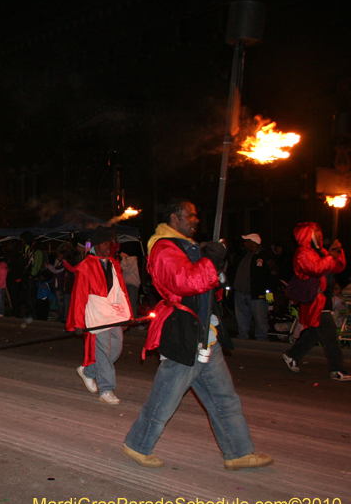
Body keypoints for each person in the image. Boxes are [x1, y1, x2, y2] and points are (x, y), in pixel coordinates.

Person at [123, 199, 273, 471]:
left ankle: (238, 452)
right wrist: (212, 260)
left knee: (224, 397)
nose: (195, 220)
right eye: (190, 215)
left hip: (206, 332)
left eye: (196, 215)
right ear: (174, 217)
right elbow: (185, 283)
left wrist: (216, 268)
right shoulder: (164, 248)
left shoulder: (185, 247)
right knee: (165, 396)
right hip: (184, 333)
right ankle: (137, 445)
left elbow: (205, 286)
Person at [66, 226, 131, 405]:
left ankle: (88, 371)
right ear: (96, 245)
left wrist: (127, 314)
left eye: (109, 244)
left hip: (113, 312)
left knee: (115, 350)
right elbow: (79, 295)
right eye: (104, 244)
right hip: (96, 313)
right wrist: (79, 322)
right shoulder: (86, 265)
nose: (108, 247)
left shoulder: (113, 263)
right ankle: (106, 389)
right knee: (103, 352)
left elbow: (121, 290)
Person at [282, 222, 351, 380]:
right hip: (315, 300)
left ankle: (292, 355)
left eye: (318, 231)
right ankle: (337, 369)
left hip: (324, 299)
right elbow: (314, 269)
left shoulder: (322, 252)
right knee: (330, 336)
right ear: (306, 235)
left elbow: (337, 267)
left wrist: (337, 252)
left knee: (314, 333)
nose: (319, 234)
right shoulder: (302, 252)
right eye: (314, 232)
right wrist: (330, 257)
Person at [232, 233, 274, 340]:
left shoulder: (264, 256)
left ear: (254, 243)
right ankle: (242, 337)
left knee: (260, 318)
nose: (245, 244)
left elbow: (272, 274)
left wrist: (269, 291)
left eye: (247, 241)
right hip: (240, 293)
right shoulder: (242, 255)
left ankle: (262, 339)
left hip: (256, 294)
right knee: (241, 317)